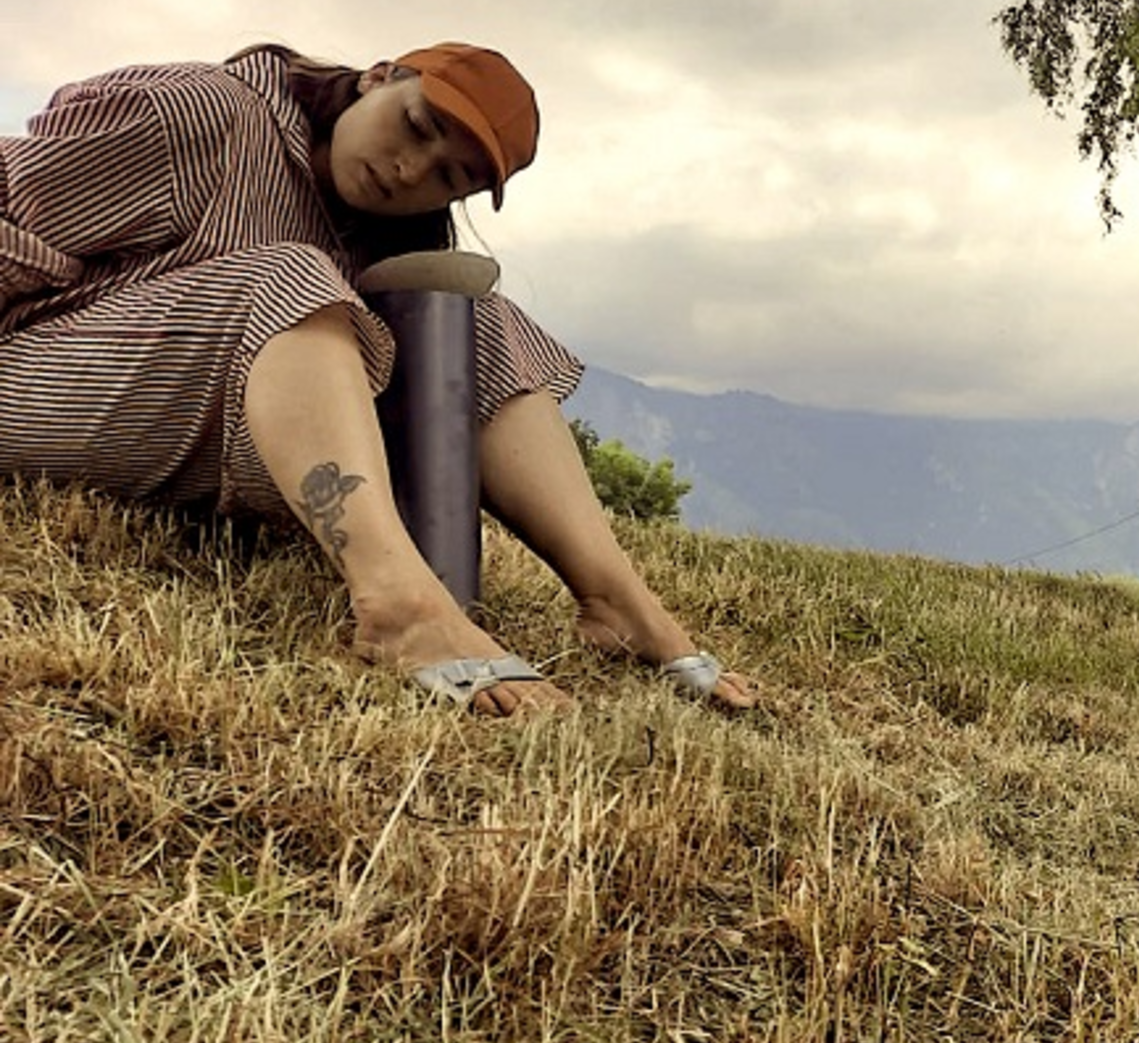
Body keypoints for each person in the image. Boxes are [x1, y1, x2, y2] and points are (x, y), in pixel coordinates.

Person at [0, 41, 753, 715]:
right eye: (420, 127)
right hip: (30, 373)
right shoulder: (203, 113)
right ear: (379, 78)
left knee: (470, 320)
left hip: (168, 432)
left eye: (447, 177)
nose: (409, 171)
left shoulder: (370, 231)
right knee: (292, 275)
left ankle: (619, 605)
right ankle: (399, 608)